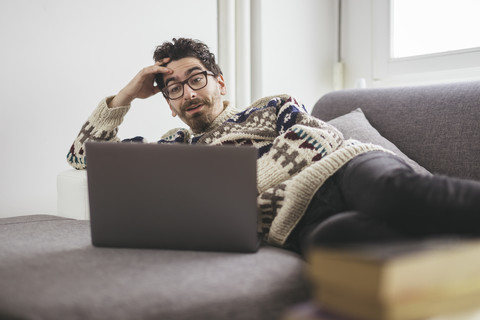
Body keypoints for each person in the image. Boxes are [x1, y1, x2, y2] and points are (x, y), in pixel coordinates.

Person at [67, 38, 480, 254]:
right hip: (295, 223)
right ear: (171, 107)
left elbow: (320, 136)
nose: (187, 93)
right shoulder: (172, 148)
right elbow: (84, 159)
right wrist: (124, 95)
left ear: (219, 83)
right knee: (341, 245)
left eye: (195, 78)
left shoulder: (270, 107)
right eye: (173, 88)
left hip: (344, 170)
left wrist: (239, 184)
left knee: (393, 195)